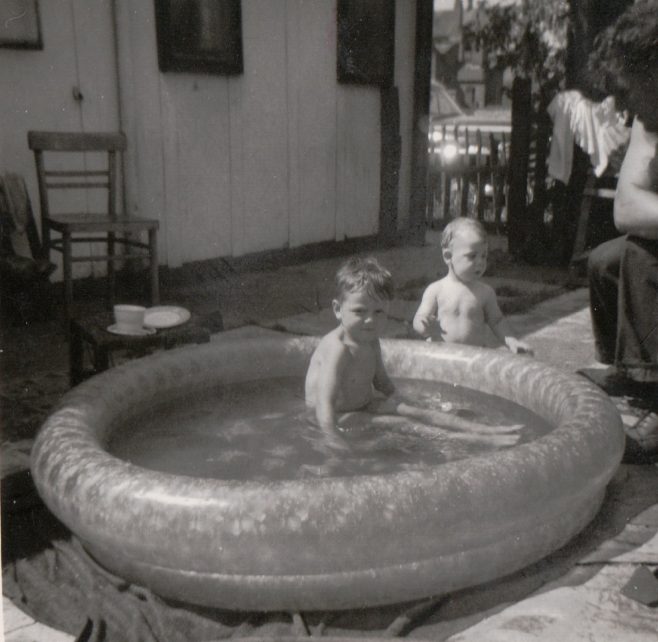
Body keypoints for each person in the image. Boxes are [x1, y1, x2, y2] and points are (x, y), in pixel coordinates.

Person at [305, 256, 522, 450]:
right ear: (337, 309)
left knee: (419, 413)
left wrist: (405, 402)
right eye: (360, 311)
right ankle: (479, 441)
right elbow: (325, 404)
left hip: (363, 406)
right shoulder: (338, 349)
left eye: (379, 311)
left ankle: (484, 430)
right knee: (403, 425)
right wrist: (332, 438)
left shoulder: (370, 341)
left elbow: (382, 382)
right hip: (335, 417)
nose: (370, 319)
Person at [583, 0, 658, 453]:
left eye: (631, 87)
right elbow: (628, 209)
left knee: (637, 257)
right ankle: (631, 371)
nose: (623, 101)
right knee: (606, 260)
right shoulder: (650, 122)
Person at [412, 218, 532, 354]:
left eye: (484, 256)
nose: (480, 262)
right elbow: (419, 317)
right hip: (440, 356)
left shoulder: (485, 292)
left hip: (472, 357)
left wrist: (512, 341)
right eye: (472, 256)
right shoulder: (436, 290)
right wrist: (424, 326)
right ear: (448, 256)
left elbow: (497, 321)